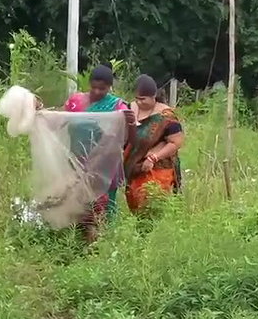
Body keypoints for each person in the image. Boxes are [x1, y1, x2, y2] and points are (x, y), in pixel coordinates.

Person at [62, 65, 134, 241]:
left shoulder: (117, 106)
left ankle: (102, 245)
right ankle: (79, 243)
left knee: (101, 207)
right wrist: (41, 115)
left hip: (104, 166)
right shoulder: (76, 102)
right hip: (77, 162)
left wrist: (130, 123)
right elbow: (59, 119)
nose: (96, 91)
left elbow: (129, 138)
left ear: (110, 87)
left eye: (102, 89)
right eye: (93, 86)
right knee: (78, 204)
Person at [124, 74, 184, 214]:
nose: (139, 102)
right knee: (136, 209)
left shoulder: (166, 116)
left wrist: (154, 157)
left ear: (153, 96)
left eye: (143, 99)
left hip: (156, 169)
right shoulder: (129, 109)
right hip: (133, 169)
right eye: (137, 98)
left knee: (151, 207)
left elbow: (176, 143)